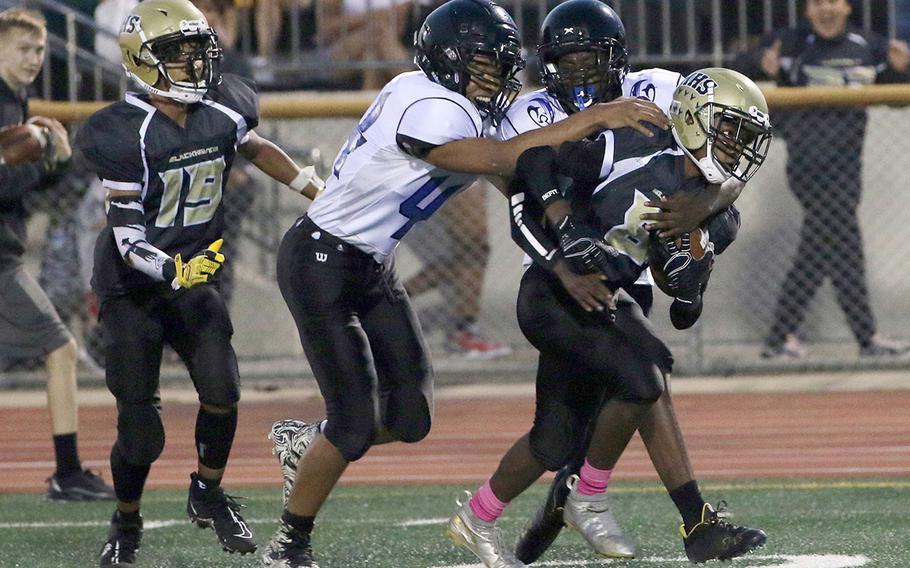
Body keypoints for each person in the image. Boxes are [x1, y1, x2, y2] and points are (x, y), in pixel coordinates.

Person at [259, 1, 673, 566]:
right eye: (483, 66)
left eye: (503, 65)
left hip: (372, 264)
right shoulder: (427, 102)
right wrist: (596, 117)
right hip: (319, 263)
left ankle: (312, 440)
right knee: (356, 423)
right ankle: (289, 543)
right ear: (447, 60)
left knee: (411, 418)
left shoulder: (467, 109)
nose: (497, 78)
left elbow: (517, 183)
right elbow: (505, 155)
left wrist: (563, 261)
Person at [447, 66, 772, 567]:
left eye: (744, 137)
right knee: (645, 375)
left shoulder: (715, 214)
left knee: (551, 441)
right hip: (556, 292)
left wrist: (688, 277)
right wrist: (562, 237)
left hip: (600, 298)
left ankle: (477, 516)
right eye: (729, 131)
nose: (736, 146)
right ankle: (588, 497)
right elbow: (533, 164)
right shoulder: (633, 141)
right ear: (694, 118)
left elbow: (685, 311)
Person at [75, 1, 324, 566]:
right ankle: (127, 519)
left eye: (197, 52)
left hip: (193, 274)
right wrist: (172, 270)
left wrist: (316, 189)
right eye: (178, 55)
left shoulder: (225, 105)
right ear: (143, 60)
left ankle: (207, 492)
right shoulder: (125, 132)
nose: (193, 65)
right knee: (142, 431)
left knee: (223, 389)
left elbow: (254, 147)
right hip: (133, 287)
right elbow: (126, 235)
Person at [735, 0, 910, 359]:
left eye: (832, 1)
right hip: (809, 165)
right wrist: (760, 66)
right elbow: (739, 71)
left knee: (824, 249)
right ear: (806, 9)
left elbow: (895, 91)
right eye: (817, 3)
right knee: (840, 244)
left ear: (847, 7)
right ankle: (865, 337)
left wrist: (901, 69)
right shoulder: (793, 43)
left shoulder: (868, 45)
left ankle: (782, 336)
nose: (825, 10)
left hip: (849, 165)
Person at [0, 7, 115, 502]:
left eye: (40, 49)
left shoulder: (15, 100)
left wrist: (51, 161)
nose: (34, 58)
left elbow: (22, 187)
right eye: (23, 49)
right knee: (61, 347)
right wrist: (49, 159)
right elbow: (6, 184)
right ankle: (66, 472)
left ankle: (68, 471)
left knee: (59, 348)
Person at [403, 178, 511, 359]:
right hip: (446, 161)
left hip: (465, 164)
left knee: (470, 253)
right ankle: (464, 333)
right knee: (474, 249)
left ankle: (379, 300)